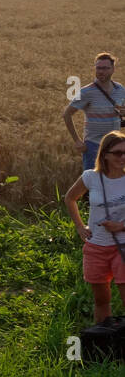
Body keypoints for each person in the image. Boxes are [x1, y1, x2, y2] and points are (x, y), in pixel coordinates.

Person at [65, 130, 125, 322]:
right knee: (101, 300)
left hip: (122, 246)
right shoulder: (91, 177)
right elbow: (70, 198)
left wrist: (120, 226)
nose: (122, 157)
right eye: (117, 153)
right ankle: (103, 340)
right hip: (96, 246)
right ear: (104, 154)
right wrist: (80, 227)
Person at [65, 53, 125, 172]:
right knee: (92, 181)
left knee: (114, 181)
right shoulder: (85, 92)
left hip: (115, 145)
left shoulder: (120, 89)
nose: (101, 71)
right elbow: (67, 114)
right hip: (93, 146)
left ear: (113, 69)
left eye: (105, 68)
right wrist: (77, 140)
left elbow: (122, 111)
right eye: (98, 68)